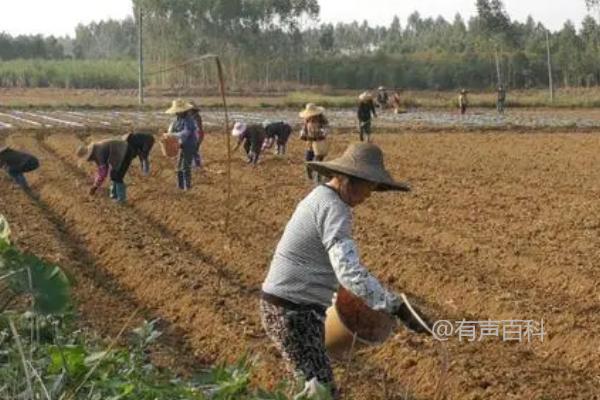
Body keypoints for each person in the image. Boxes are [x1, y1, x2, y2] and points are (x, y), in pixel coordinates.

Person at [260, 143, 430, 398]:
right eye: (367, 188)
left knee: (308, 386)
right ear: (348, 181)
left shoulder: (320, 197)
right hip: (292, 313)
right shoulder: (334, 208)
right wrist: (396, 306)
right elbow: (348, 270)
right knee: (322, 392)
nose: (369, 196)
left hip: (287, 308)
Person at [164, 99, 198, 190]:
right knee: (179, 167)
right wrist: (169, 133)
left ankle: (188, 187)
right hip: (181, 144)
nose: (176, 113)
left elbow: (186, 133)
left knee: (185, 167)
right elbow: (173, 128)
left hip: (190, 145)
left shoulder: (189, 120)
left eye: (178, 111)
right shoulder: (178, 119)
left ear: (183, 111)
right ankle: (180, 187)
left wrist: (173, 135)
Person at [299, 103, 329, 183]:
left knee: (317, 161)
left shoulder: (322, 119)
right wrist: (303, 135)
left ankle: (317, 179)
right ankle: (310, 177)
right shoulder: (307, 120)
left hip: (319, 143)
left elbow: (326, 130)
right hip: (310, 143)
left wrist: (320, 134)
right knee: (308, 160)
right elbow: (303, 130)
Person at [189, 101, 205, 168]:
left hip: (198, 135)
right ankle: (197, 164)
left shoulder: (196, 117)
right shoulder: (193, 116)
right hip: (197, 135)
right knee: (195, 150)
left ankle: (197, 165)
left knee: (195, 150)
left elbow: (198, 128)